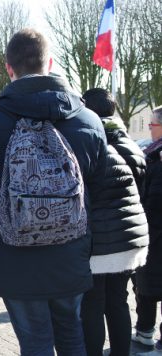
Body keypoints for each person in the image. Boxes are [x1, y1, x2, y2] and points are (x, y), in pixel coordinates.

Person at [0, 28, 107, 355]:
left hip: (14, 257)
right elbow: (96, 185)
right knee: (71, 335)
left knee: (35, 342)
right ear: (50, 62)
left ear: (8, 68)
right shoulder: (90, 121)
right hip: (71, 252)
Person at [80, 88, 149, 356]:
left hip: (99, 240)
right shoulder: (130, 142)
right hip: (129, 236)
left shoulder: (91, 142)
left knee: (93, 303)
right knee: (119, 301)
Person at [133, 105, 162, 353]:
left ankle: (149, 335)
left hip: (156, 235)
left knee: (150, 285)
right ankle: (145, 331)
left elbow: (153, 203)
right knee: (147, 286)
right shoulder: (153, 154)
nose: (150, 129)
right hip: (154, 234)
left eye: (152, 125)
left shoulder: (158, 159)